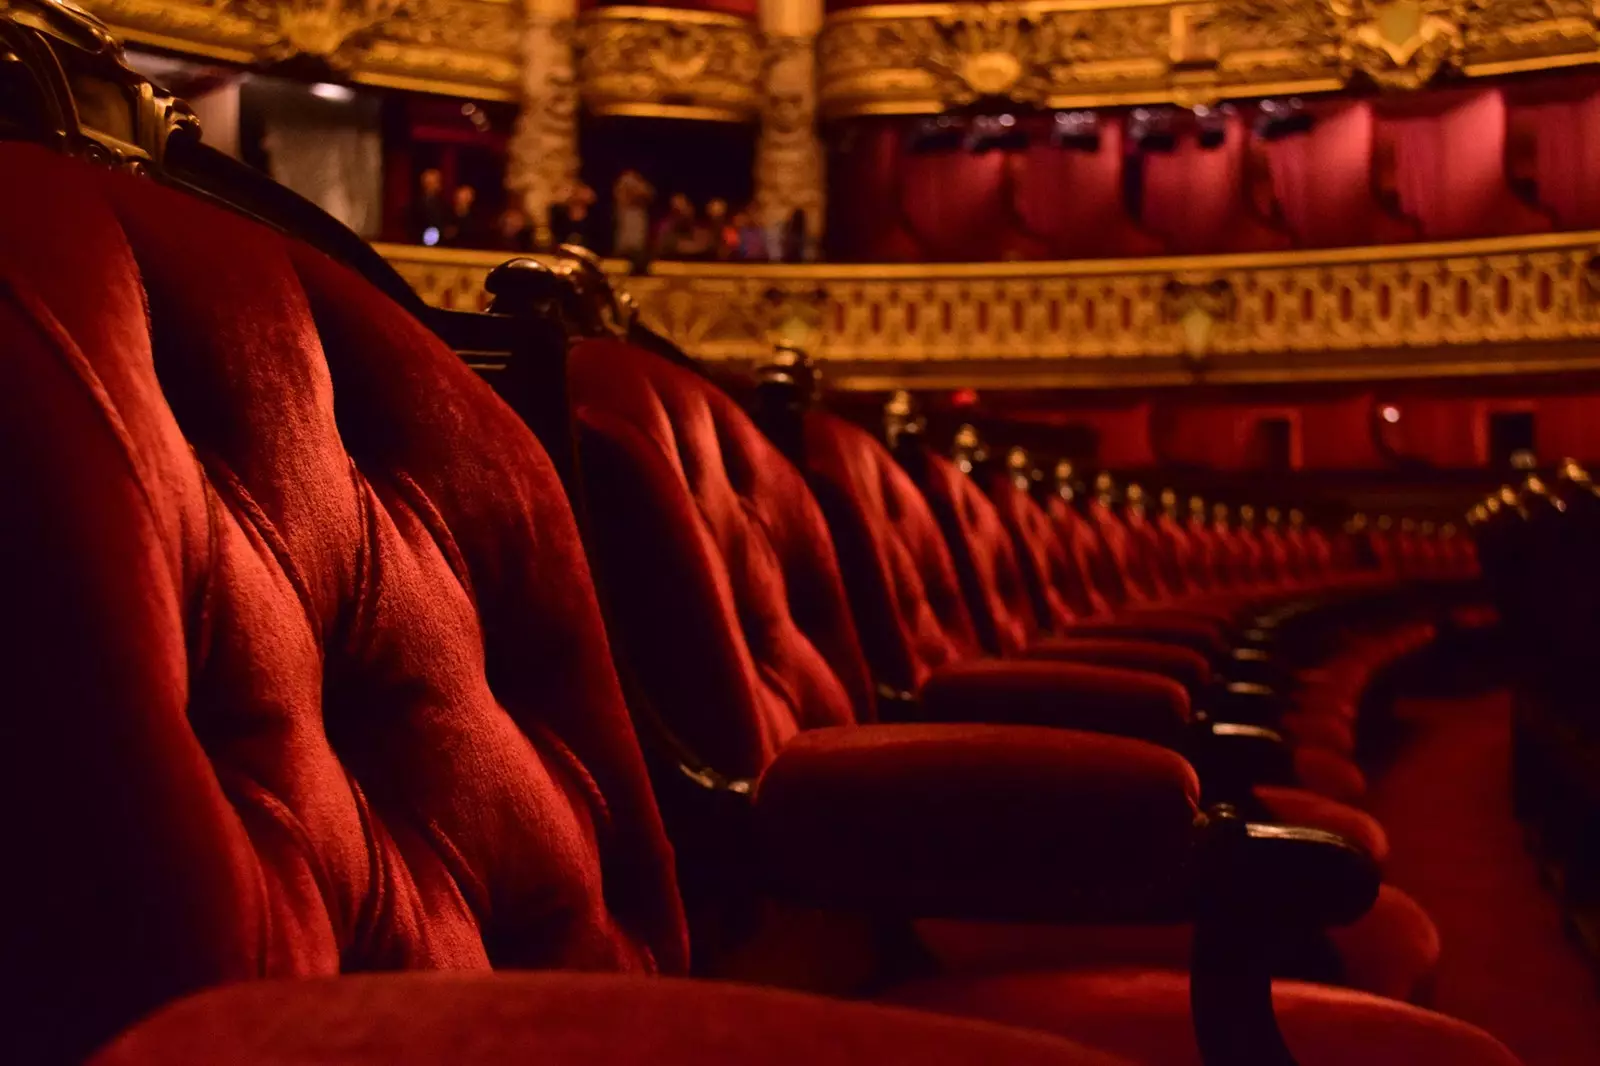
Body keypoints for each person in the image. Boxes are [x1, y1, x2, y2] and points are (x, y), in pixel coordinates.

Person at [613, 168, 655, 269]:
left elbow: (649, 194)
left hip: (638, 243)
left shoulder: (641, 208)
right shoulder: (622, 203)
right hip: (625, 241)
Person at [654, 193, 710, 260]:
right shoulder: (665, 232)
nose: (682, 213)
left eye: (684, 209)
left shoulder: (701, 231)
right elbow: (664, 247)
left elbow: (706, 246)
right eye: (677, 211)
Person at [408, 168, 449, 245]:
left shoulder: (445, 205)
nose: (431, 186)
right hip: (418, 244)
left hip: (441, 246)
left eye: (434, 182)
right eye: (429, 183)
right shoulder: (414, 205)